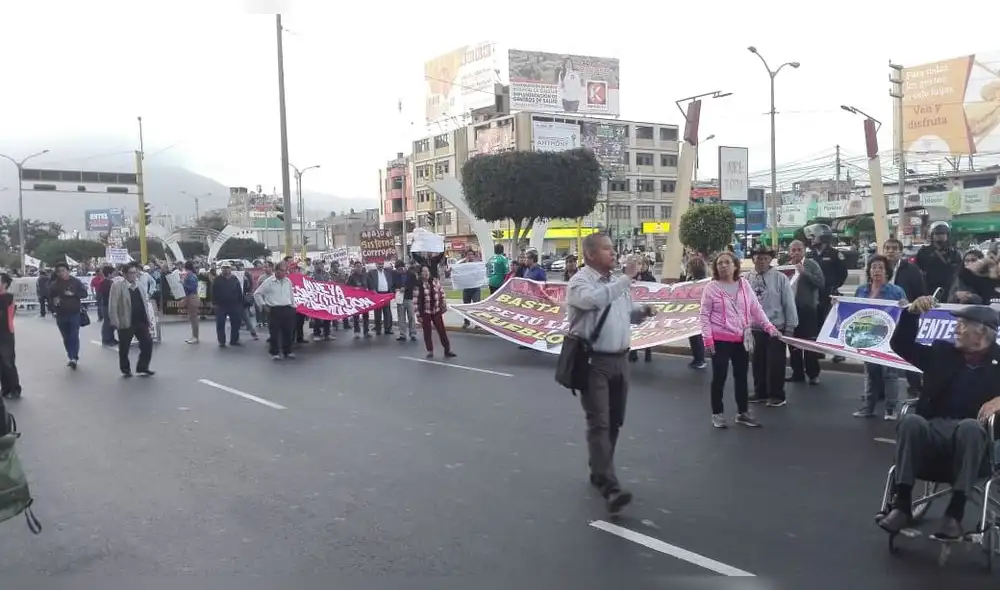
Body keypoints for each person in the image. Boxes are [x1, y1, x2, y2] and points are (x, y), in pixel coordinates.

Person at [878, 300, 1000, 540]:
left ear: (982, 332)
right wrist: (912, 313)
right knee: (911, 422)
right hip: (933, 427)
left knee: (970, 429)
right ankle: (902, 505)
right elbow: (900, 344)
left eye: (963, 325)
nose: (956, 329)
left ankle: (954, 514)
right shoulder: (941, 352)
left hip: (974, 436)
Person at [567, 236, 657, 514]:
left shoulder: (616, 283)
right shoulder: (580, 282)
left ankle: (599, 469)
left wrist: (642, 313)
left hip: (621, 361)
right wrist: (626, 279)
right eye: (607, 248)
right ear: (591, 254)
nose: (613, 253)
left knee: (615, 420)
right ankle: (610, 486)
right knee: (600, 423)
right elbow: (593, 302)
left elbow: (624, 314)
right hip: (594, 362)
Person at [699, 251, 780, 429]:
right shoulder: (711, 288)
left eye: (727, 262)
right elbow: (704, 316)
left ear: (735, 265)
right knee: (719, 377)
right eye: (720, 263)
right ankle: (717, 413)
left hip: (742, 338)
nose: (723, 266)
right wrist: (708, 340)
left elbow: (755, 308)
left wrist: (769, 327)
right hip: (719, 339)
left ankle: (742, 412)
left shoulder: (743, 284)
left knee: (741, 376)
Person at [853, 255, 907, 419]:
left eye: (881, 267)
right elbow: (853, 310)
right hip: (868, 337)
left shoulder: (896, 291)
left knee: (890, 374)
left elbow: (905, 312)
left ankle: (891, 409)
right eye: (874, 267)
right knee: (871, 373)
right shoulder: (861, 290)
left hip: (890, 338)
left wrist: (904, 305)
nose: (877, 270)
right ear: (869, 271)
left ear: (887, 272)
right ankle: (868, 407)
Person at [746, 246, 798, 407]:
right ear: (753, 259)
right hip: (755, 327)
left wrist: (791, 326)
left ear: (770, 260)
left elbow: (789, 303)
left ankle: (777, 395)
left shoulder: (780, 278)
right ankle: (760, 392)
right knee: (757, 362)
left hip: (776, 327)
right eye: (758, 257)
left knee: (775, 362)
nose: (762, 261)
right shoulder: (746, 278)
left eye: (765, 258)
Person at [884, 237, 926, 398]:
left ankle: (915, 385)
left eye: (894, 248)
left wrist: (914, 305)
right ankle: (881, 390)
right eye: (887, 248)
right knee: (884, 353)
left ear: (901, 251)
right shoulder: (879, 267)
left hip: (908, 317)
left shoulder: (911, 269)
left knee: (908, 352)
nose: (891, 251)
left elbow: (920, 291)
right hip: (886, 317)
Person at [805, 224, 848, 364]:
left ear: (822, 237)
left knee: (834, 324)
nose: (811, 239)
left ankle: (839, 353)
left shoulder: (835, 254)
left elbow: (843, 274)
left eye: (813, 236)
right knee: (817, 323)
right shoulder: (810, 255)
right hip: (815, 294)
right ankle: (819, 351)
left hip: (830, 294)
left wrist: (834, 286)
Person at [785, 240, 824, 385]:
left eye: (799, 250)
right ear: (789, 252)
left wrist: (805, 273)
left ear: (804, 251)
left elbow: (821, 283)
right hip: (790, 310)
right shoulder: (786, 266)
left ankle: (813, 374)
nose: (796, 252)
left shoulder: (811, 264)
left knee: (808, 343)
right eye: (793, 250)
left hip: (808, 309)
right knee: (793, 343)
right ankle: (797, 373)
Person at [108, 262, 155, 377]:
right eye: (131, 273)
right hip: (126, 321)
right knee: (124, 347)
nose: (134, 275)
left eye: (135, 272)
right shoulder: (117, 286)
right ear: (124, 274)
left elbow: (144, 302)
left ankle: (142, 367)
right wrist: (115, 321)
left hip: (141, 321)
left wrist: (149, 320)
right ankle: (125, 369)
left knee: (147, 344)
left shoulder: (139, 285)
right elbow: (113, 305)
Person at [48, 262, 88, 370]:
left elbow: (84, 293)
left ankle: (73, 358)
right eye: (59, 271)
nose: (61, 273)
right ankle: (70, 355)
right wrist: (53, 305)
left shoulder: (76, 282)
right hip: (61, 314)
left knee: (73, 335)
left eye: (63, 270)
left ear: (68, 271)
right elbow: (50, 298)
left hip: (74, 313)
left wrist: (74, 294)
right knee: (66, 337)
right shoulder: (54, 284)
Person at [254, 261, 296, 360]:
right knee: (275, 333)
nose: (284, 273)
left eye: (285, 271)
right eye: (282, 270)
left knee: (288, 332)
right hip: (274, 309)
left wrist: (293, 306)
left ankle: (287, 351)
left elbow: (291, 294)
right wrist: (263, 305)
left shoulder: (288, 281)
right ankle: (275, 353)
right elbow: (257, 293)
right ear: (276, 270)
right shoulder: (269, 282)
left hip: (287, 308)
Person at [915, 221, 962, 301]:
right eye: (937, 234)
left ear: (947, 235)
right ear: (932, 235)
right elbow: (917, 271)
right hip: (928, 290)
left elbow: (959, 272)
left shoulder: (954, 253)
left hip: (949, 290)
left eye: (943, 234)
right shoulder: (923, 252)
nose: (940, 236)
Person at [415, 265, 455, 359]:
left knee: (441, 330)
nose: (426, 273)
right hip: (425, 311)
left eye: (427, 271)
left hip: (436, 309)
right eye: (424, 272)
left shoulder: (435, 281)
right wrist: (418, 315)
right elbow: (415, 301)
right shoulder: (418, 285)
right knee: (427, 331)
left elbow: (442, 293)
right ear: (420, 274)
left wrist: (444, 303)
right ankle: (430, 350)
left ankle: (447, 349)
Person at [628, 259, 656, 363]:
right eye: (639, 264)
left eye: (642, 264)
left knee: (647, 332)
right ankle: (633, 353)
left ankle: (648, 354)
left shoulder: (651, 278)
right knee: (634, 331)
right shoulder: (634, 278)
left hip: (646, 308)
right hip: (637, 307)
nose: (640, 266)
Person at [212, 262, 244, 348]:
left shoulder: (234, 279)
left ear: (230, 269)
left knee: (236, 323)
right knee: (220, 323)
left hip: (234, 304)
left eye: (227, 268)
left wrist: (240, 303)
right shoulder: (217, 279)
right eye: (224, 268)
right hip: (220, 305)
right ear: (221, 269)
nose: (226, 269)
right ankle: (221, 341)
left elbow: (239, 291)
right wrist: (214, 303)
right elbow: (213, 292)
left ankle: (234, 340)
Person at [0, 273, 21, 400]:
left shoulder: (7, 297)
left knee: (8, 362)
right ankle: (5, 388)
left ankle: (14, 388)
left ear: (5, 284)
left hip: (5, 333)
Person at [368, 261, 396, 336]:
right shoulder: (372, 272)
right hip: (377, 295)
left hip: (386, 294)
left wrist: (392, 291)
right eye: (379, 264)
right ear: (376, 264)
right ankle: (378, 329)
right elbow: (369, 282)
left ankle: (387, 329)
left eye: (381, 264)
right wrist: (372, 289)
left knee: (387, 313)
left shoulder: (388, 272)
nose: (380, 265)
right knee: (377, 313)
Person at [346, 262, 372, 338]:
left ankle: (366, 331)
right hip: (356, 300)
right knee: (356, 317)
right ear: (354, 267)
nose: (359, 268)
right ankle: (357, 332)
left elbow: (370, 286)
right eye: (357, 266)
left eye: (360, 266)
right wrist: (354, 289)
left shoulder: (365, 276)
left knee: (366, 316)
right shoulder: (351, 277)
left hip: (364, 299)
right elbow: (347, 288)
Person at [394, 261, 418, 342]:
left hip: (409, 298)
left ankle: (413, 333)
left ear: (404, 267)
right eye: (397, 269)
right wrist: (395, 289)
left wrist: (406, 288)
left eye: (400, 269)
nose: (399, 271)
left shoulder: (411, 274)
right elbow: (393, 285)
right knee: (401, 317)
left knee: (411, 316)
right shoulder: (396, 275)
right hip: (400, 298)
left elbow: (414, 284)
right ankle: (402, 334)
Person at [182, 261, 200, 344]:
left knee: (194, 318)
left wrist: (183, 284)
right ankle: (194, 336)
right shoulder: (191, 275)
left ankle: (195, 337)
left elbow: (192, 288)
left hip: (192, 297)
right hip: (191, 297)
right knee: (192, 318)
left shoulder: (191, 276)